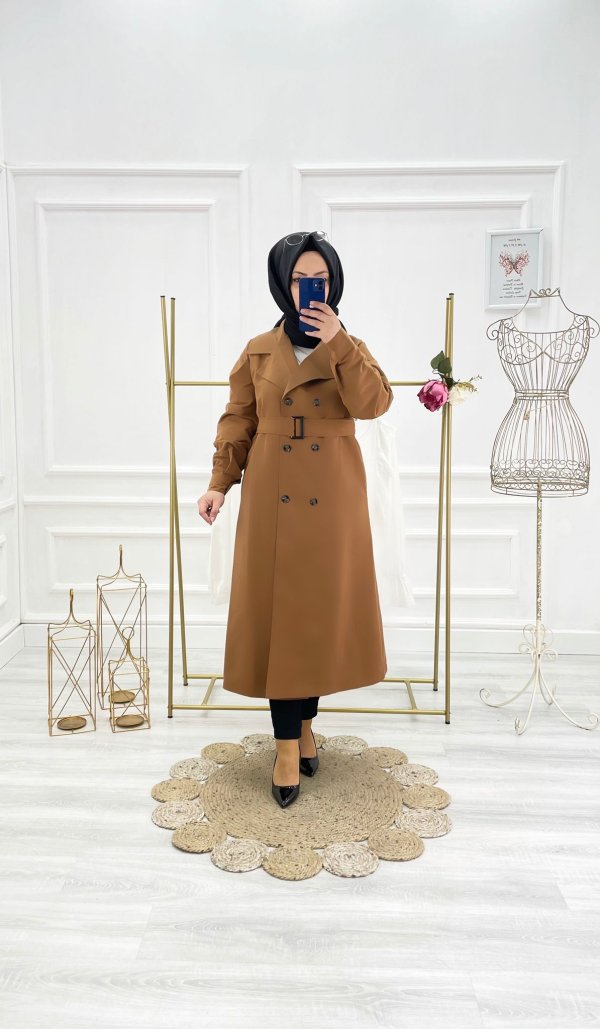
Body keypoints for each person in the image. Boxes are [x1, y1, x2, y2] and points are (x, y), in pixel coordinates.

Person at [197, 231, 393, 808]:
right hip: (272, 492)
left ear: (335, 283)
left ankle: (304, 729)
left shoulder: (351, 347)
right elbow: (238, 419)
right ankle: (287, 746)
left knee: (315, 617)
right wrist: (218, 483)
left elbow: (374, 404)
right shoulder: (259, 350)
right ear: (283, 284)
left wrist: (339, 343)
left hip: (333, 495)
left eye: (322, 279)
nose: (313, 289)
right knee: (279, 616)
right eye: (302, 279)